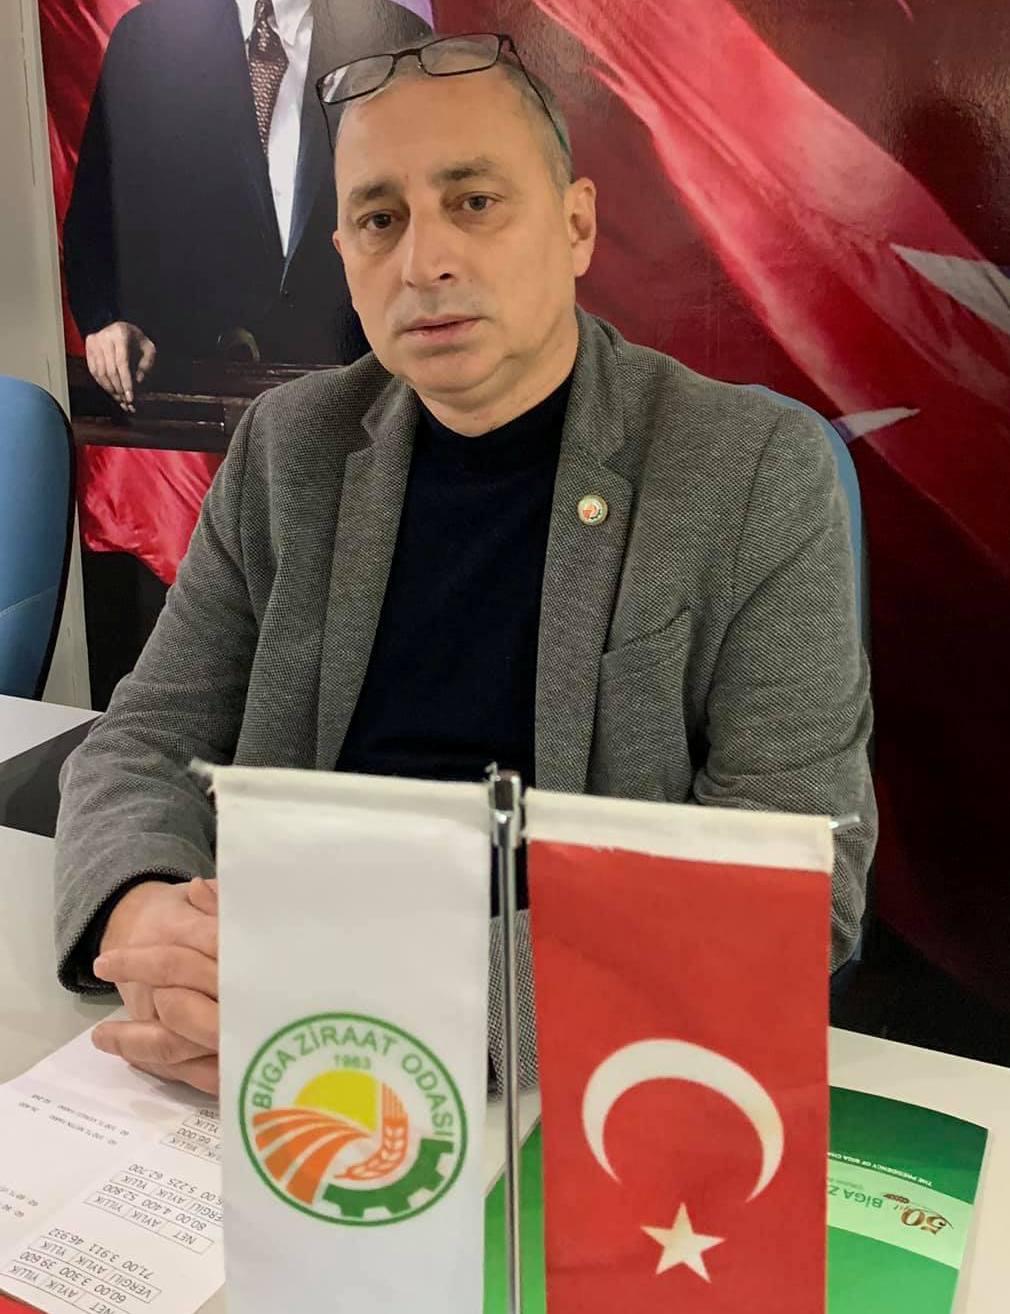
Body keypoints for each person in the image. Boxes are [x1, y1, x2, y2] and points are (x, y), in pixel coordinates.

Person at [53, 34, 877, 1095]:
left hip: (559, 1085)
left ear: (576, 226)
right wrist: (146, 919)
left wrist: (386, 1014)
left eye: (475, 202)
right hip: (251, 1051)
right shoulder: (288, 447)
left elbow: (793, 878)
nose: (424, 262)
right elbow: (147, 737)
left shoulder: (752, 469)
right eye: (380, 219)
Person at [64, 0, 430, 410]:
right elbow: (94, 217)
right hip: (188, 395)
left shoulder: (395, 35)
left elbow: (427, 208)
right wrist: (107, 320)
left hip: (359, 392)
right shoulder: (145, 38)